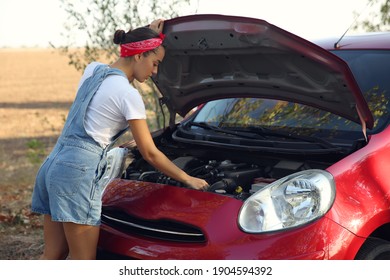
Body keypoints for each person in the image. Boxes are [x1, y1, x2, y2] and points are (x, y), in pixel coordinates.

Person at [31, 19, 209, 260]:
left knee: (53, 254)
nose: (155, 72)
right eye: (155, 63)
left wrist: (149, 36)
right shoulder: (128, 95)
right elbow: (150, 153)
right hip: (76, 174)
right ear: (139, 56)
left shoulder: (93, 70)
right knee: (84, 262)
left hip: (53, 165)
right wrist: (188, 178)